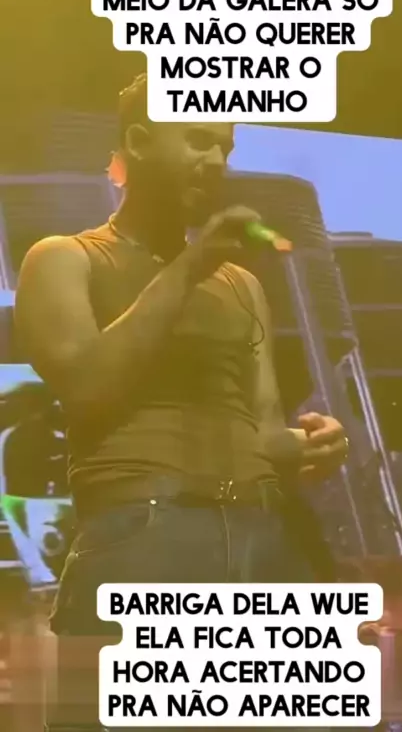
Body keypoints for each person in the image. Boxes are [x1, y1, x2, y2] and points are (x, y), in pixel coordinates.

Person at [15, 74, 348, 731]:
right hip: (144, 537)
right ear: (139, 142)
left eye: (225, 146)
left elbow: (261, 429)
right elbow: (87, 389)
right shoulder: (64, 259)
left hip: (263, 539)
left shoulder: (242, 284)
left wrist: (312, 443)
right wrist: (188, 269)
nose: (216, 160)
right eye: (198, 139)